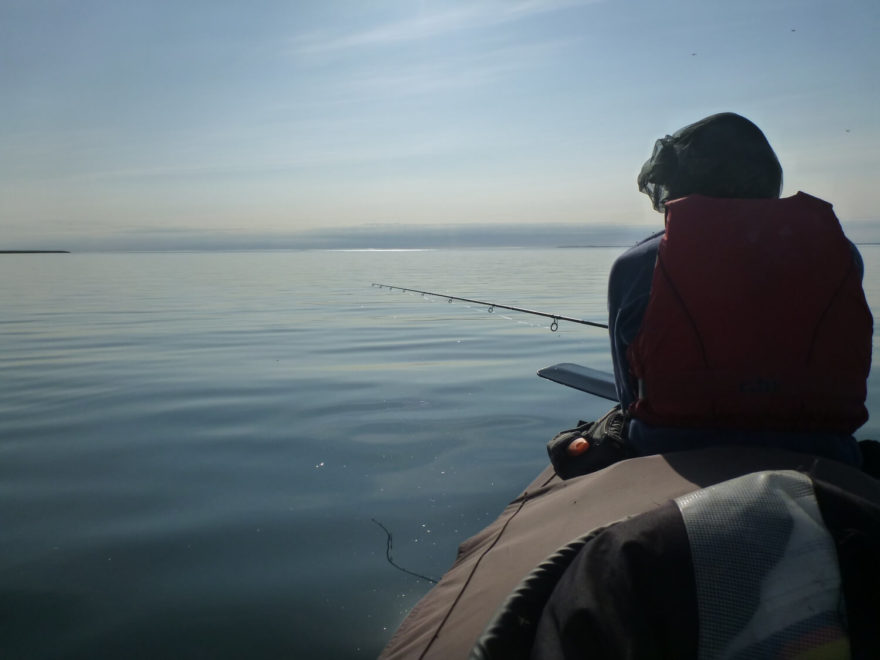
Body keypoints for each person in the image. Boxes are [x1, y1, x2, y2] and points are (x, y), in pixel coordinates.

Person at [605, 112, 872, 466]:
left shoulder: (636, 265)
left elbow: (628, 398)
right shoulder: (843, 254)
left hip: (669, 451)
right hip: (824, 454)